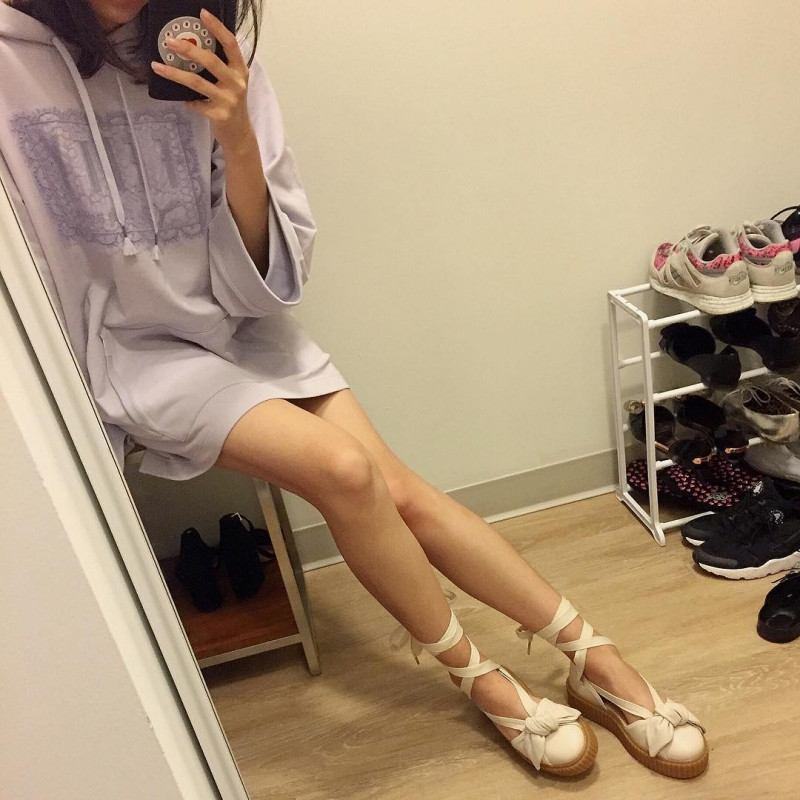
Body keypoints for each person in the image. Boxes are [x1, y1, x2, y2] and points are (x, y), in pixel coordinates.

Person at [0, 0, 708, 779]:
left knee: (397, 488)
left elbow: (271, 264)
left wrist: (236, 136)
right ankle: (479, 677)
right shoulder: (12, 57)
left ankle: (592, 655)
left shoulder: (206, 34)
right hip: (135, 353)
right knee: (344, 470)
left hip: (237, 320)